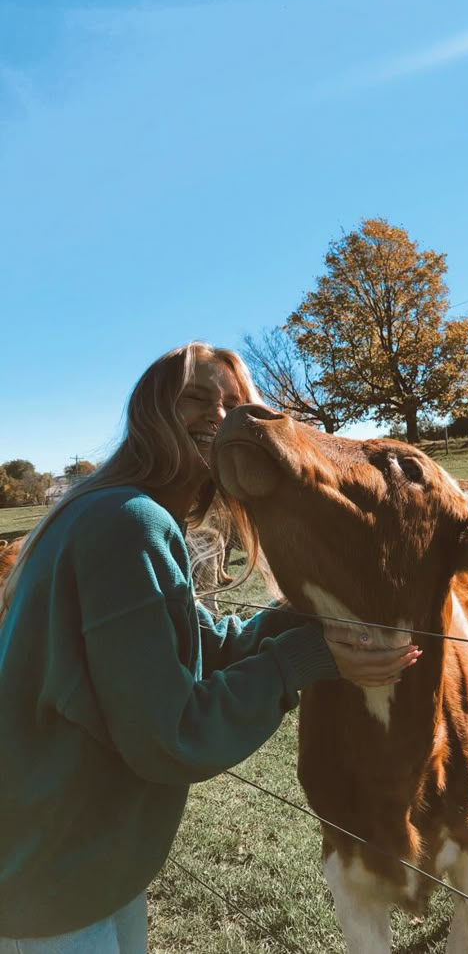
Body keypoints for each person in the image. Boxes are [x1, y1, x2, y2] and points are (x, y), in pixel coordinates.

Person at [0, 341, 421, 953]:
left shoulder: (112, 512)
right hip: (53, 874)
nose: (220, 416)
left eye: (237, 404)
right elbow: (171, 734)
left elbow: (199, 640)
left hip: (75, 856)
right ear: (150, 412)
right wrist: (307, 660)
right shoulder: (127, 522)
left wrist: (306, 614)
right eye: (197, 398)